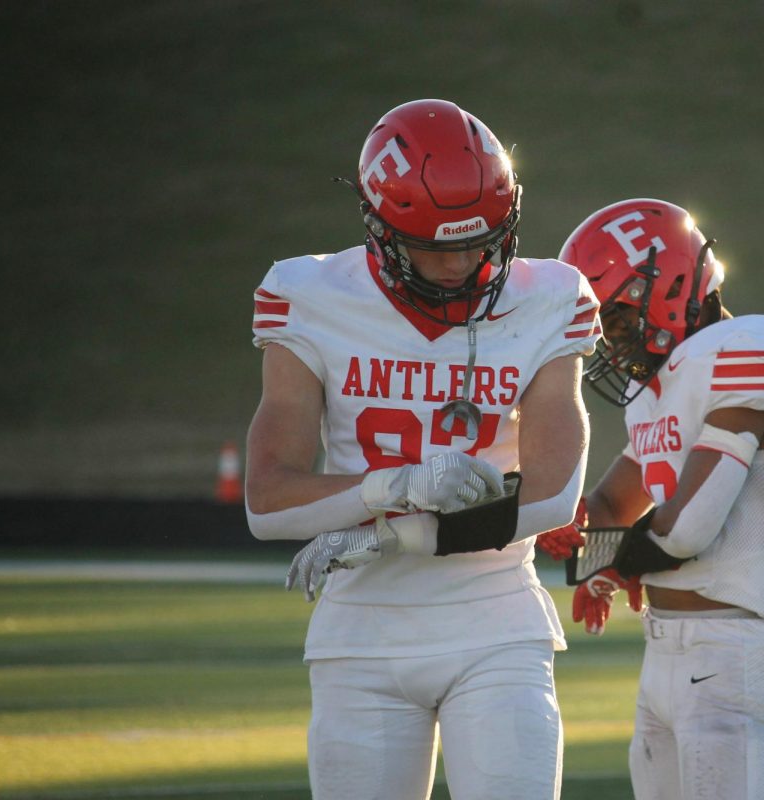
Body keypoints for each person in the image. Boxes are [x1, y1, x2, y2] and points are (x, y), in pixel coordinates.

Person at [244, 99, 601, 800]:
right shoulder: (309, 294)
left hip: (496, 621)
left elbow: (554, 496)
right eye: (437, 246)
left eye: (481, 241)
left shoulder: (551, 296)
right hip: (360, 636)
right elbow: (267, 501)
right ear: (379, 229)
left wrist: (385, 535)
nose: (464, 264)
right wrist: (394, 486)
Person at [554, 198, 764, 799]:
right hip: (666, 654)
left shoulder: (753, 349)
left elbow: (685, 531)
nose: (612, 341)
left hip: (735, 650)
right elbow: (606, 504)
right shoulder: (665, 385)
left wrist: (611, 556)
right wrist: (580, 547)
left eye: (618, 319)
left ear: (670, 288)